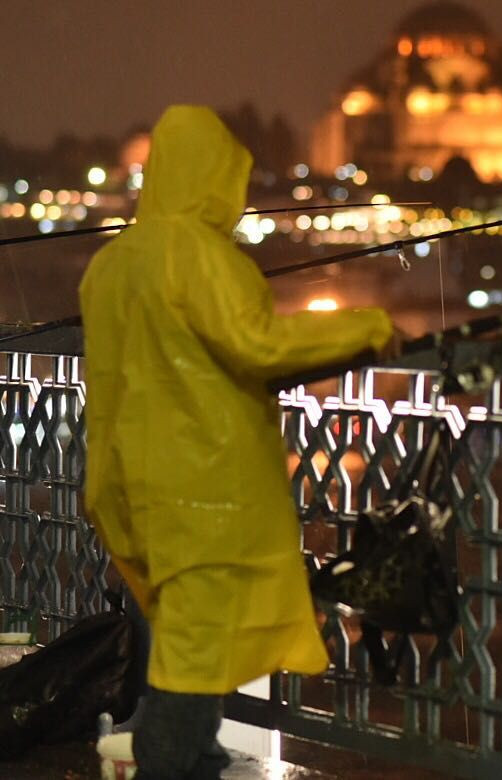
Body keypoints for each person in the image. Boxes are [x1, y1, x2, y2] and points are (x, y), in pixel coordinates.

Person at [79, 105, 395, 779]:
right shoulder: (201, 256)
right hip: (207, 495)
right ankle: (174, 762)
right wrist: (364, 328)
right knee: (191, 662)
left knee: (188, 650)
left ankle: (196, 757)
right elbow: (257, 344)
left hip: (133, 489)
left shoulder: (107, 268)